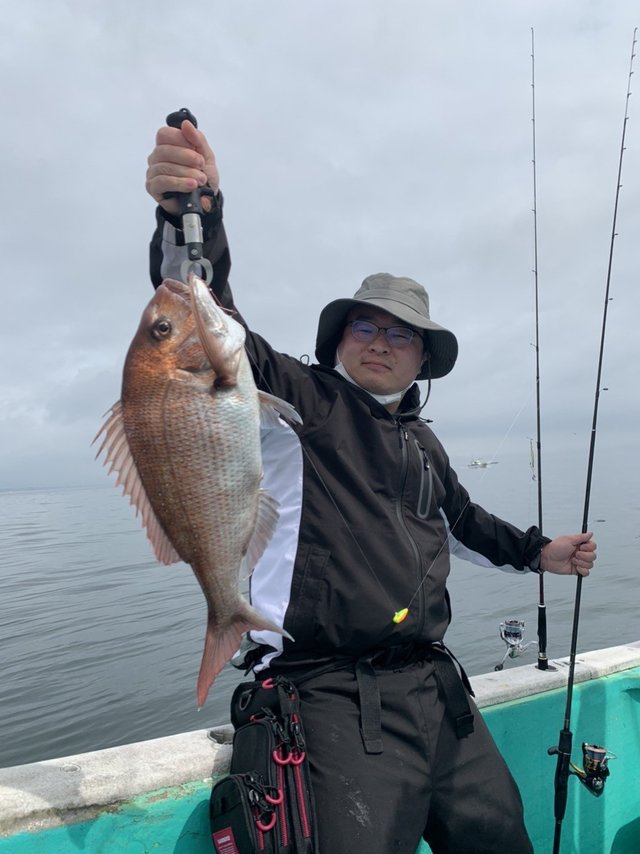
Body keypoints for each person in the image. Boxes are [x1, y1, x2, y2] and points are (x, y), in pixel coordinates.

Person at [145, 118, 597, 854]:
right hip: (326, 694)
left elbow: (464, 522)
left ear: (422, 359)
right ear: (337, 340)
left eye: (401, 334)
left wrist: (541, 551)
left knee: (502, 840)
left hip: (436, 690)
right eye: (366, 327)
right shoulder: (298, 403)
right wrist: (189, 216)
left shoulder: (421, 441)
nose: (382, 342)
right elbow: (207, 323)